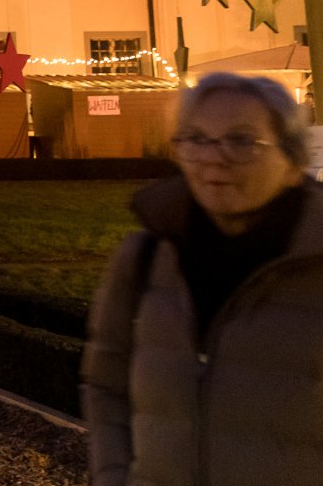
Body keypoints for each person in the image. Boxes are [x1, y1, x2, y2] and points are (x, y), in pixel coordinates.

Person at [83, 73, 323, 485]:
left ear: (293, 161)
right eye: (195, 138)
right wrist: (113, 476)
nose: (213, 158)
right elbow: (107, 386)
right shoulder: (144, 258)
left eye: (242, 140)